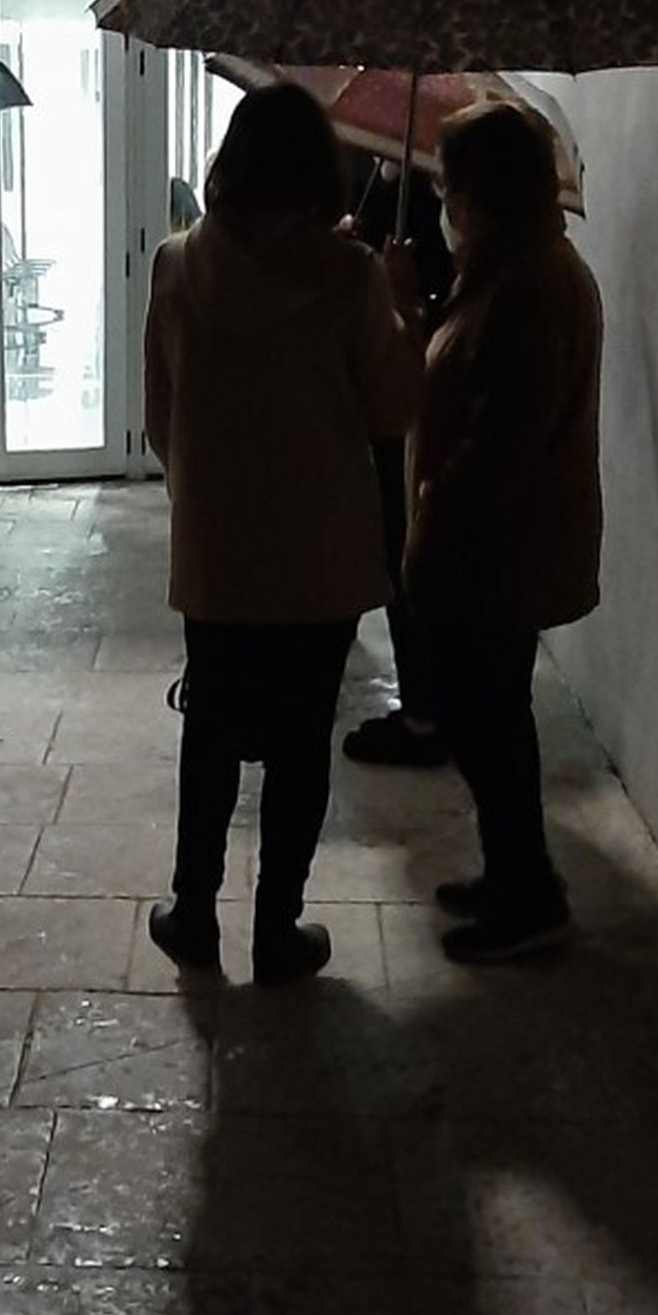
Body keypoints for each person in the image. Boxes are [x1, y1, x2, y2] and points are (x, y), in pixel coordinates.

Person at [144, 87, 424, 984]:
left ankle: (194, 911)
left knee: (211, 729)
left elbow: (160, 420)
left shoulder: (176, 263)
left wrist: (210, 492)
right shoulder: (351, 275)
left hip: (218, 550)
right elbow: (391, 411)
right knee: (303, 741)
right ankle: (277, 928)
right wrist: (406, 312)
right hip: (321, 554)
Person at [400, 99, 603, 965]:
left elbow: (505, 438)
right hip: (495, 545)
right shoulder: (507, 269)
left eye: (450, 184)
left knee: (488, 726)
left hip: (495, 548)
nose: (444, 200)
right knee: (490, 718)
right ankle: (512, 874)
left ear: (485, 190)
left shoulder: (529, 286)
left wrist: (438, 503)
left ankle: (528, 896)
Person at [342, 152, 455, 768]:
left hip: (411, 399)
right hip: (391, 394)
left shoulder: (430, 194)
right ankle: (422, 702)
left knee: (405, 554)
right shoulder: (376, 176)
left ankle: (425, 712)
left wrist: (400, 293)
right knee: (393, 551)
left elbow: (428, 288)